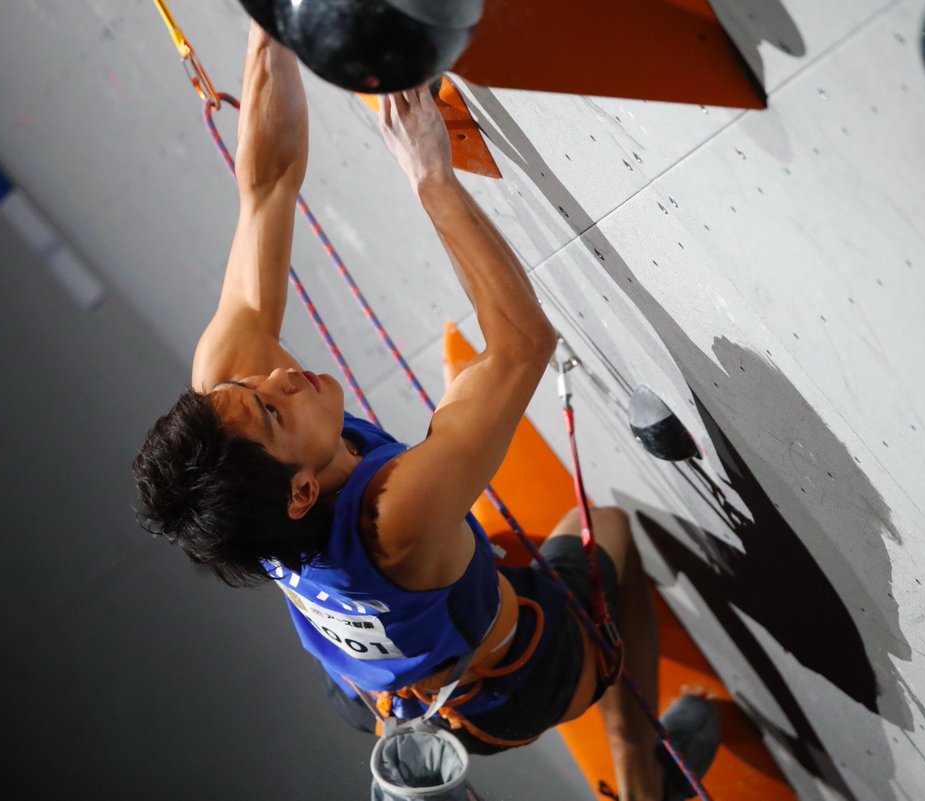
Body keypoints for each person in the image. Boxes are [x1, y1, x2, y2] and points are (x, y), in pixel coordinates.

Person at [132, 24, 716, 801]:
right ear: (301, 490)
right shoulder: (394, 518)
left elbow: (266, 184)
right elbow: (521, 345)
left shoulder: (234, 431)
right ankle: (641, 776)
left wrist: (271, 26)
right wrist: (430, 174)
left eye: (254, 387)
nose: (280, 374)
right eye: (274, 409)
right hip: (507, 685)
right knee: (605, 527)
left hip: (368, 686)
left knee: (468, 480)